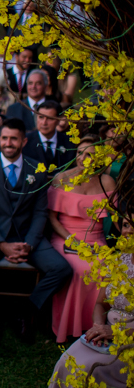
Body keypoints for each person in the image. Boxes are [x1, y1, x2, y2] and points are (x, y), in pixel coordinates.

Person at [0, 118, 72, 340]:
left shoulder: (38, 170)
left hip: (27, 235)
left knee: (61, 269)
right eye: (4, 138)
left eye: (14, 138)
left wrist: (30, 244)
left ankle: (27, 311)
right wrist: (2, 244)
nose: (8, 143)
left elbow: (40, 212)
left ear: (24, 141)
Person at [38, 215, 133, 388]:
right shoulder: (119, 260)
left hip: (129, 341)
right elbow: (100, 303)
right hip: (106, 332)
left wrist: (116, 333)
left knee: (90, 369)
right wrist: (99, 325)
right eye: (127, 225)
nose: (128, 232)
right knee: (66, 362)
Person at [47, 138, 116, 342]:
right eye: (79, 153)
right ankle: (69, 327)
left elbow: (116, 218)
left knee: (107, 266)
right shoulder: (62, 178)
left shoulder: (106, 182)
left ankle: (97, 327)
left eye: (89, 155)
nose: (82, 159)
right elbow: (52, 218)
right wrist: (73, 241)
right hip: (65, 237)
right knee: (81, 269)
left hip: (96, 238)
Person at [24, 100, 77, 169]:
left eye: (50, 118)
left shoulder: (69, 143)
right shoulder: (26, 142)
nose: (44, 123)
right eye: (41, 117)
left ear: (58, 119)